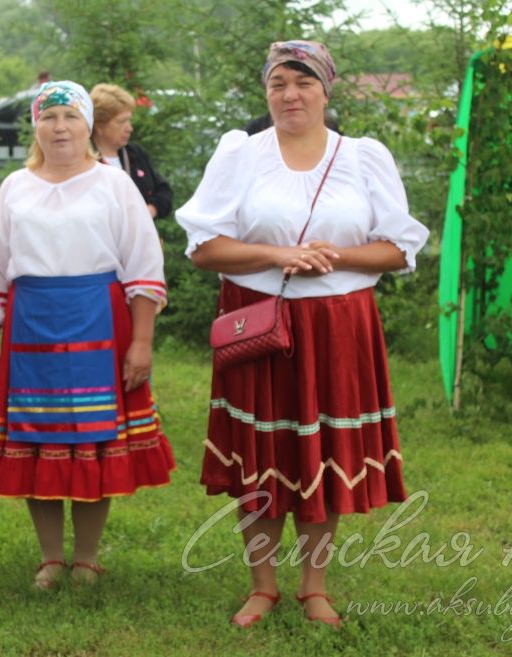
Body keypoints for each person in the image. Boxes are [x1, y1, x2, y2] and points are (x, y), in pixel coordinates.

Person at [176, 40, 429, 628]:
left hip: (337, 325)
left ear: (326, 88)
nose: (290, 95)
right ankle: (262, 584)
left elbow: (399, 247)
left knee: (322, 451)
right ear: (265, 91)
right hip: (258, 320)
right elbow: (203, 246)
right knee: (261, 451)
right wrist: (278, 253)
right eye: (278, 84)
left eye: (303, 82)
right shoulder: (240, 154)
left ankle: (314, 585)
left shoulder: (364, 157)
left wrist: (334, 256)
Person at [0, 81, 175, 589]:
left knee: (93, 440)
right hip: (30, 322)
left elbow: (143, 266)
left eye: (70, 117)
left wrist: (142, 342)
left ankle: (85, 558)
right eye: (49, 117)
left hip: (98, 320)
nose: (60, 127)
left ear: (88, 124)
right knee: (36, 439)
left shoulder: (113, 184)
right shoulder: (16, 187)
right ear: (36, 126)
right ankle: (50, 558)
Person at [89, 83, 173, 220]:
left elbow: (164, 191)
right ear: (99, 125)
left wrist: (150, 210)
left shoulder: (135, 154)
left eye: (129, 120)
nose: (129, 128)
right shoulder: (84, 160)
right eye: (122, 122)